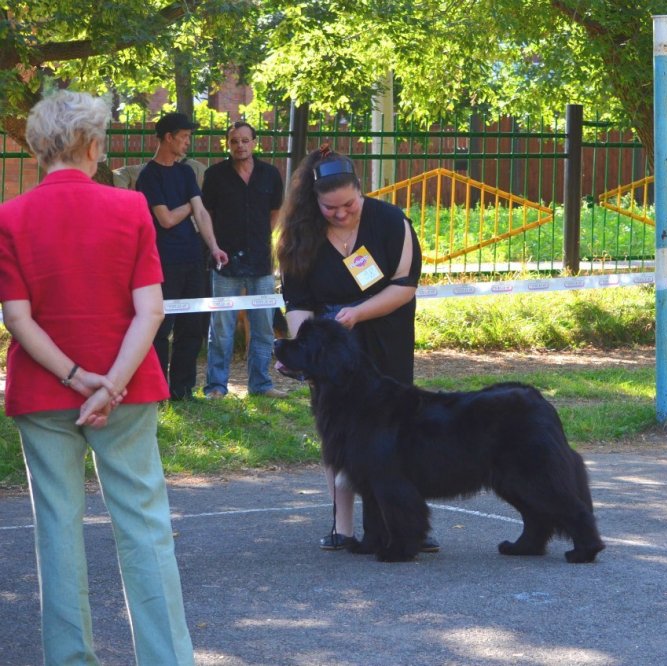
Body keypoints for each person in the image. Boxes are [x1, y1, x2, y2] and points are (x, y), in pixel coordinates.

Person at [0, 91, 194, 664]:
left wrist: (76, 376)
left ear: (39, 148)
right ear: (92, 145)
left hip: (45, 391)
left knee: (57, 529)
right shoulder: (130, 208)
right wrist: (109, 383)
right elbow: (150, 311)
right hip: (127, 388)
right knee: (144, 525)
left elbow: (17, 318)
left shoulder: (9, 217)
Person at [276, 146, 439, 553]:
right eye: (330, 208)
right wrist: (300, 351)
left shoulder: (391, 221)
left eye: (349, 204)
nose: (341, 213)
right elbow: (297, 302)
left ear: (361, 191)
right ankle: (343, 527)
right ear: (314, 201)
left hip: (385, 337)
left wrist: (358, 313)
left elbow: (404, 286)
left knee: (396, 435)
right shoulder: (299, 235)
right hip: (332, 351)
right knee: (339, 435)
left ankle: (405, 524)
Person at [136, 112, 228, 400]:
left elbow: (201, 212)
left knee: (192, 327)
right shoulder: (149, 176)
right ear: (168, 137)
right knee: (161, 328)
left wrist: (214, 247)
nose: (188, 142)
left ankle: (182, 390)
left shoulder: (186, 172)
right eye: (184, 136)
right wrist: (191, 203)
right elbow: (166, 219)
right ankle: (157, 390)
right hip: (163, 261)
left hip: (193, 259)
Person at [202, 121, 286, 398]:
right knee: (222, 327)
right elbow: (206, 214)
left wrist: (262, 238)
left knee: (263, 326)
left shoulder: (270, 174)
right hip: (225, 261)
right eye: (234, 141)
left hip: (261, 260)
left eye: (245, 140)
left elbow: (275, 212)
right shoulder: (215, 175)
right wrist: (215, 246)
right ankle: (216, 386)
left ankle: (261, 385)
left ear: (254, 143)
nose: (240, 145)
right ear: (228, 144)